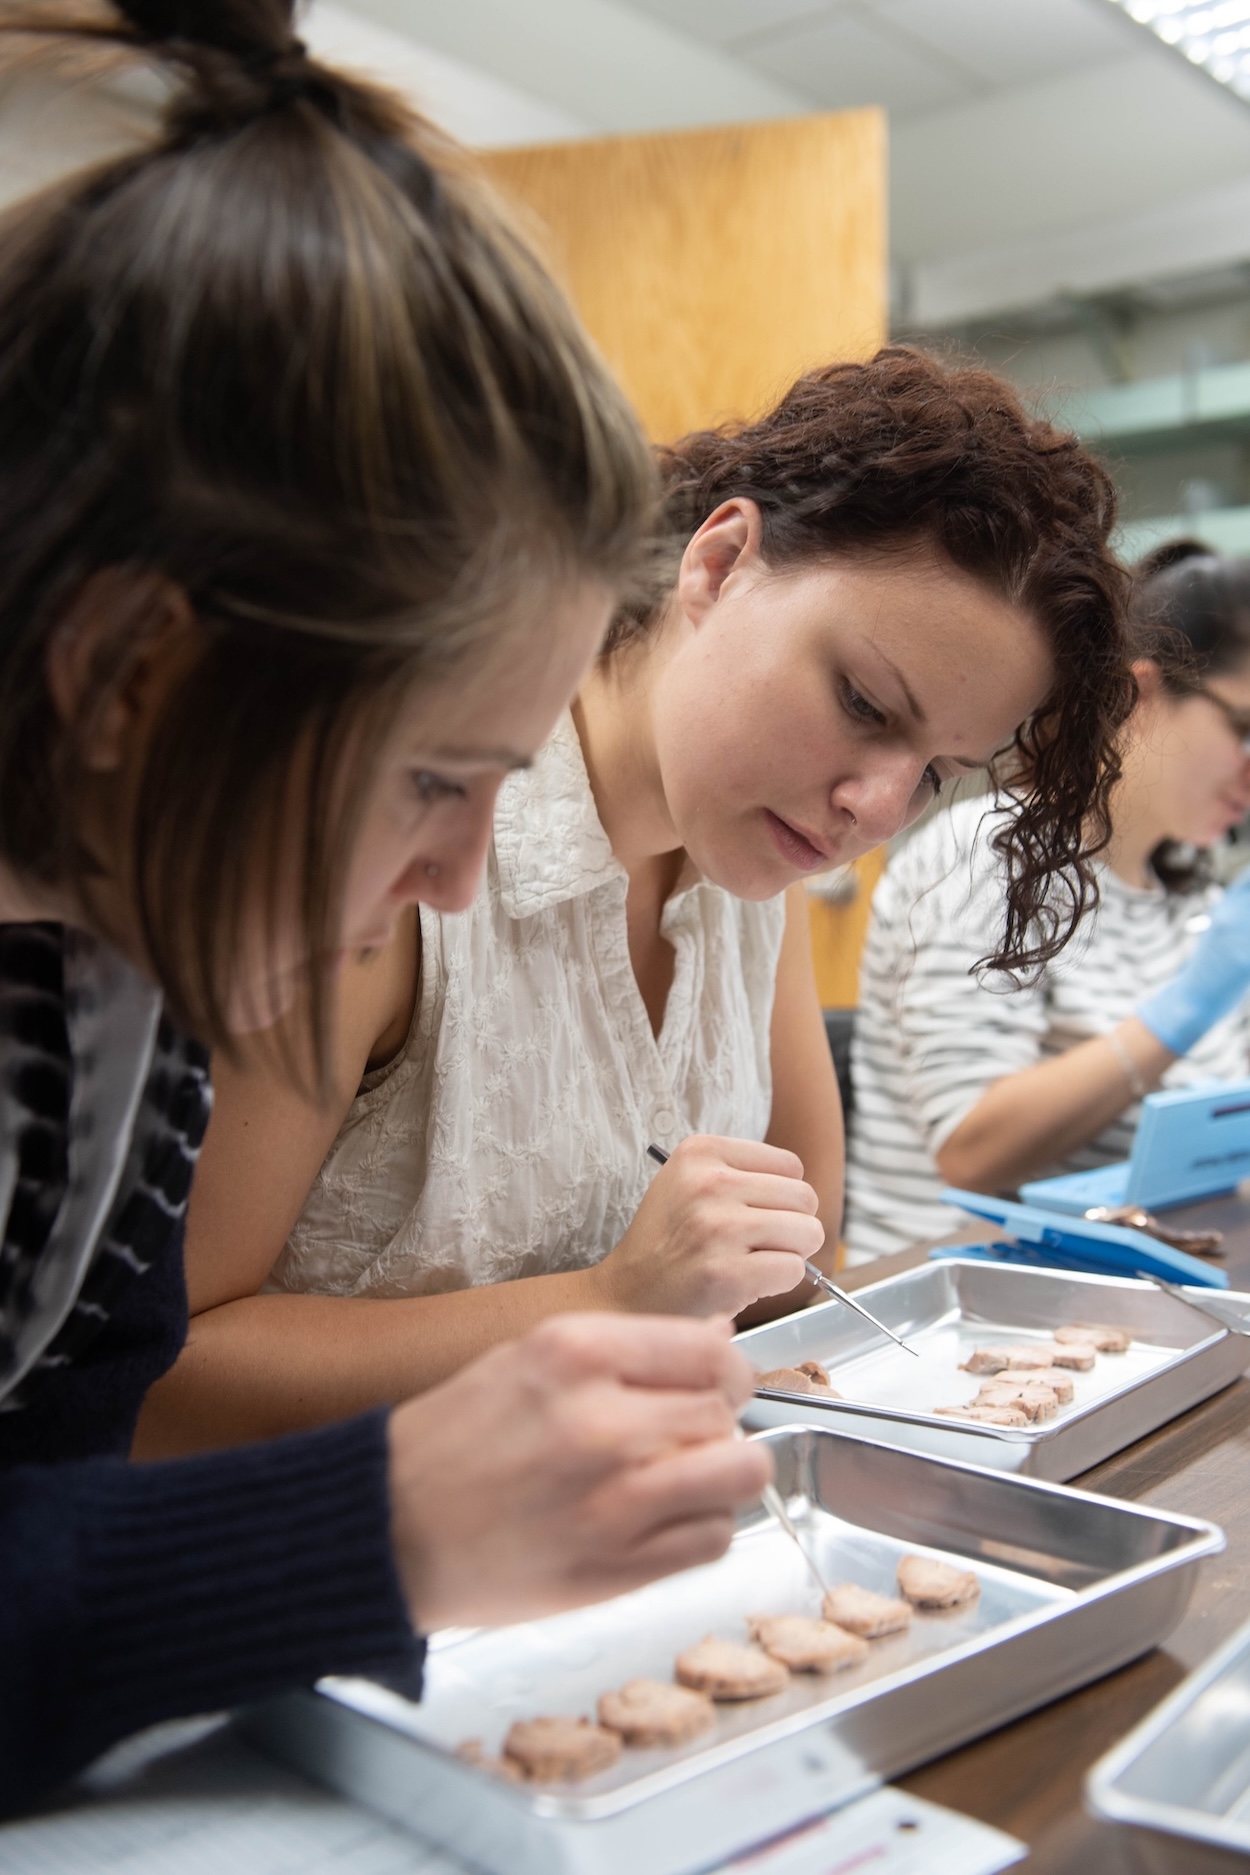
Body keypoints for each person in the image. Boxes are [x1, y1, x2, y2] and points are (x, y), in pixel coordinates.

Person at [0, 0, 773, 1818]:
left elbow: (55, 1485)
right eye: (433, 782)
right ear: (126, 675)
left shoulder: (143, 969)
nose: (447, 881)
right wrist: (372, 1524)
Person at [134, 348, 1136, 1457]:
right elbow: (154, 1379)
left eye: (938, 770)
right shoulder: (399, 844)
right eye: (859, 702)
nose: (876, 807)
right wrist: (604, 1304)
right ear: (717, 563)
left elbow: (791, 1284)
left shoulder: (756, 859)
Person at [845, 540, 1250, 1260]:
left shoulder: (1185, 890)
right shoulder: (988, 860)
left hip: (1149, 1281)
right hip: (969, 1297)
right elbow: (971, 1146)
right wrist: (1183, 1010)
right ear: (1141, 694)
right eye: (1244, 729)